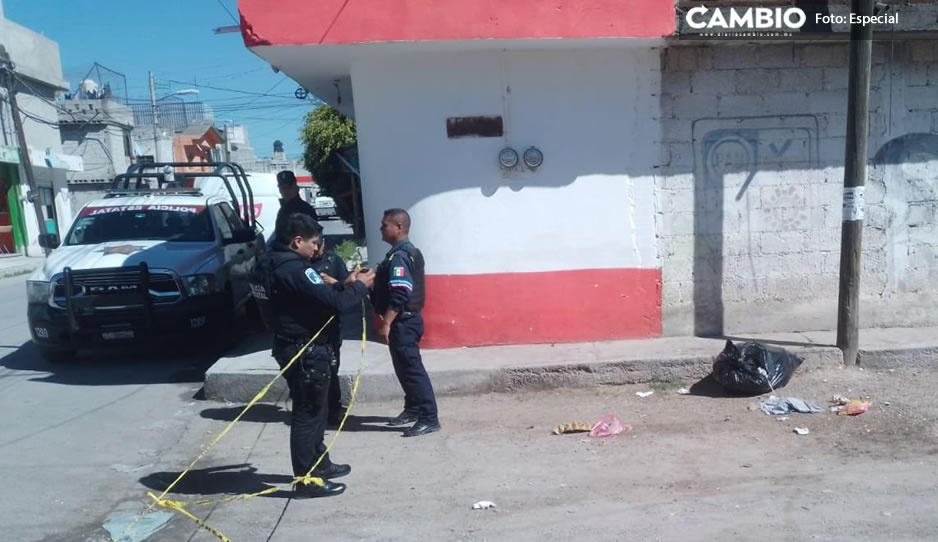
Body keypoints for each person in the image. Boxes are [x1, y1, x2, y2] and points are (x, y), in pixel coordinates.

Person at [252, 213, 375, 498]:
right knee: (308, 415)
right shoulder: (295, 269)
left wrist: (343, 283)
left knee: (316, 413)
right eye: (313, 242)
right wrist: (359, 286)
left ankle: (321, 464)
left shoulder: (266, 263)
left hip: (288, 345)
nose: (316, 248)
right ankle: (308, 480)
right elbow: (335, 304)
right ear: (297, 241)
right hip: (306, 350)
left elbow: (308, 296)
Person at [372, 208, 440, 437]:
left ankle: (429, 418)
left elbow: (401, 292)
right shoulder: (400, 253)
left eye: (385, 225)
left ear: (399, 227)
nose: (381, 229)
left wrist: (386, 323)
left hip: (404, 322)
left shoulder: (401, 255)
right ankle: (412, 409)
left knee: (412, 371)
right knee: (404, 369)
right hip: (405, 321)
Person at [310, 234, 351, 426]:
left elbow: (348, 287)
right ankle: (317, 409)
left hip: (331, 326)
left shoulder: (334, 262)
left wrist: (334, 282)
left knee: (332, 369)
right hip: (309, 327)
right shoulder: (300, 264)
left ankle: (335, 409)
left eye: (319, 244)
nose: (316, 249)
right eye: (313, 244)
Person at [274, 170, 317, 241]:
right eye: (283, 188)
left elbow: (314, 237)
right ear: (279, 190)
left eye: (289, 187)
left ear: (297, 188)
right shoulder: (282, 210)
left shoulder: (305, 209)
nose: (286, 191)